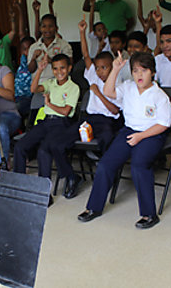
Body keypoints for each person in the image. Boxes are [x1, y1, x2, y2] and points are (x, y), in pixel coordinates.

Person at [77, 52, 171, 229]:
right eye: (135, 71)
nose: (139, 75)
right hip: (129, 130)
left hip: (151, 134)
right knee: (106, 164)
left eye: (143, 71)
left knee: (139, 165)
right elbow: (107, 91)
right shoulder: (128, 87)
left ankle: (149, 215)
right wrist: (115, 69)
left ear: (152, 72)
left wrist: (141, 137)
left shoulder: (159, 95)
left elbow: (163, 124)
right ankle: (94, 208)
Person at [51, 19, 121, 199]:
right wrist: (82, 32)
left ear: (113, 67)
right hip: (89, 119)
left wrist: (98, 93)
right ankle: (72, 177)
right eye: (97, 68)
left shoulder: (120, 84)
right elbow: (86, 55)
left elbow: (114, 111)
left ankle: (106, 175)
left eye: (104, 68)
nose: (99, 72)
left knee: (107, 141)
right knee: (57, 144)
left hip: (108, 122)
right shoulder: (93, 77)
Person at [13, 53, 78, 205]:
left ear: (69, 68)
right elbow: (33, 88)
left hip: (62, 123)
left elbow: (65, 112)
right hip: (46, 122)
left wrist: (48, 104)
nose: (59, 71)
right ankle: (18, 187)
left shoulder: (73, 87)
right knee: (20, 146)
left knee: (44, 150)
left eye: (62, 68)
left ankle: (43, 194)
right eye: (55, 68)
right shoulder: (50, 83)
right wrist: (40, 70)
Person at [27, 14, 73, 83]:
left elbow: (70, 66)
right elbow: (30, 70)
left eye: (50, 26)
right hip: (39, 85)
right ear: (40, 28)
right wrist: (33, 58)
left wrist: (52, 61)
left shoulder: (64, 45)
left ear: (56, 28)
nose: (47, 29)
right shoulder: (34, 47)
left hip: (58, 84)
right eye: (44, 26)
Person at [15, 36, 35, 119]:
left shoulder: (35, 61)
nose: (27, 51)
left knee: (18, 108)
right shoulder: (23, 60)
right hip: (18, 95)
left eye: (30, 48)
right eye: (24, 49)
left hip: (29, 96)